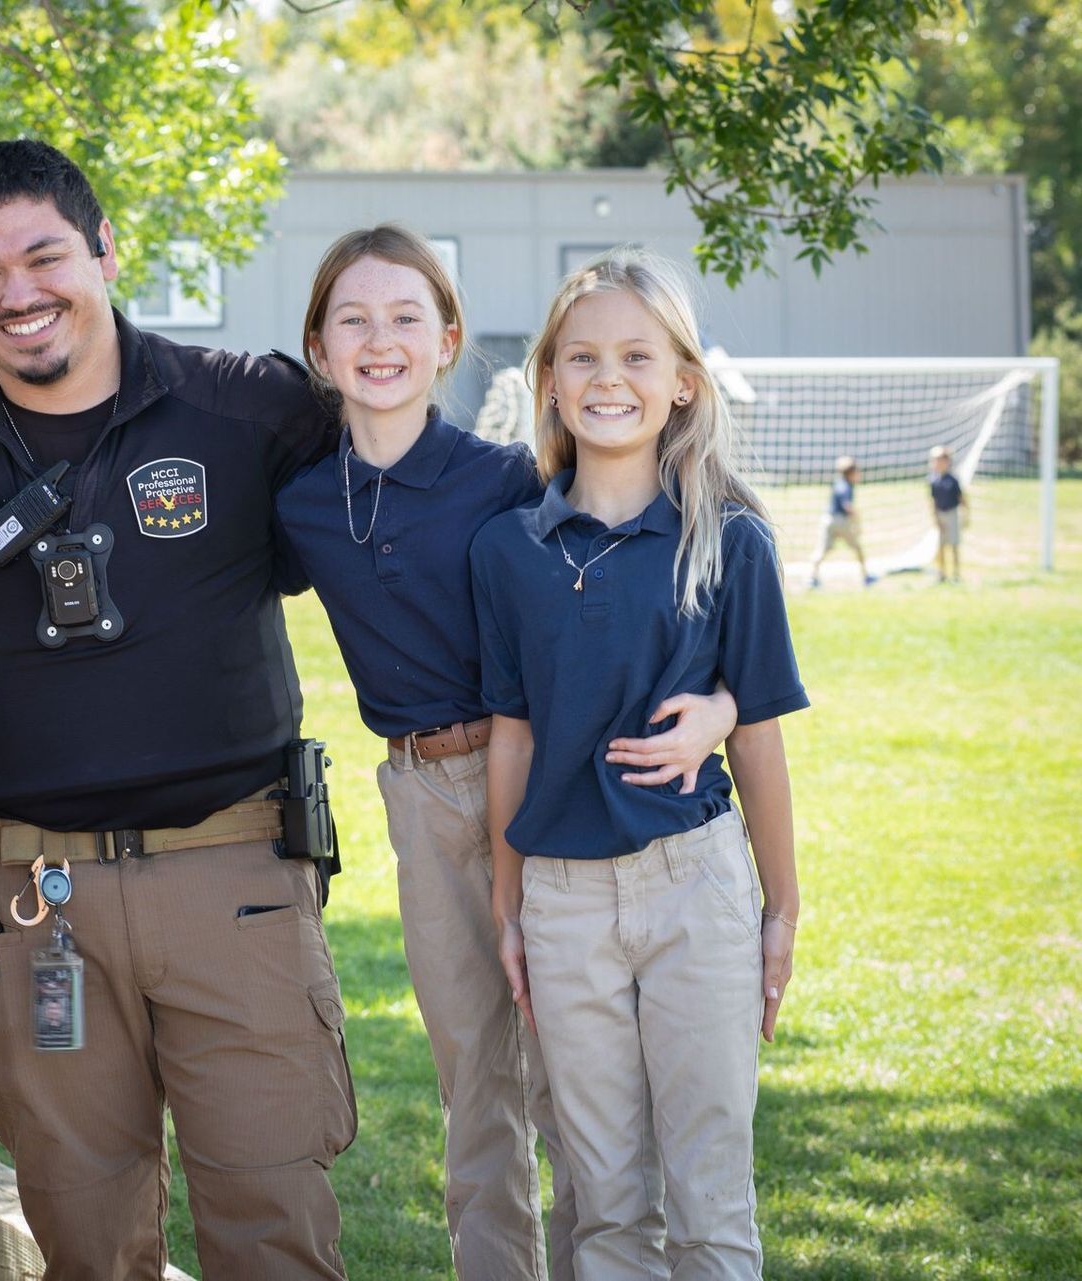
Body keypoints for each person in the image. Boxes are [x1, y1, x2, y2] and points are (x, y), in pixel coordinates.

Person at [0, 139, 352, 1280]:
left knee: (273, 1225)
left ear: (108, 250)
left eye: (43, 255)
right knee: (81, 1236)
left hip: (238, 884)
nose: (17, 294)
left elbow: (415, 504)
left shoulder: (249, 410)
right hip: (37, 906)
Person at [274, 226, 735, 1280]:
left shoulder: (510, 480)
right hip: (420, 792)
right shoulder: (299, 503)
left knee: (571, 1078)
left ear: (446, 343)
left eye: (405, 319)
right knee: (470, 1075)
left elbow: (674, 569)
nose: (378, 340)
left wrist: (723, 698)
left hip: (546, 780)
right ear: (318, 346)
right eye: (352, 319)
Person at [472, 249, 806, 1278]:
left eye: (634, 355)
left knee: (710, 1202)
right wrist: (509, 903)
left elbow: (756, 732)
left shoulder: (729, 541)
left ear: (682, 383)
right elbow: (513, 734)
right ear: (551, 384)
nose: (607, 377)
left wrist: (782, 906)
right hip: (565, 905)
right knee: (608, 1206)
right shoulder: (507, 550)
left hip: (692, 887)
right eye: (582, 357)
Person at [808, 454, 875, 587]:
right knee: (857, 548)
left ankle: (812, 578)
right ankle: (866, 577)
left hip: (827, 519)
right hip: (840, 521)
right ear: (851, 473)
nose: (859, 475)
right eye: (857, 472)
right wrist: (857, 519)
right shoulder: (845, 486)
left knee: (822, 550)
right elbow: (847, 506)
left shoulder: (839, 483)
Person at [928, 444, 969, 583]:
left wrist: (966, 514)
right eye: (935, 460)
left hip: (952, 514)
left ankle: (956, 574)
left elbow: (961, 498)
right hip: (940, 515)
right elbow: (932, 501)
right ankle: (942, 573)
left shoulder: (953, 480)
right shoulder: (933, 480)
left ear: (947, 462)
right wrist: (935, 518)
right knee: (940, 547)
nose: (937, 463)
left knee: (954, 545)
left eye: (940, 460)